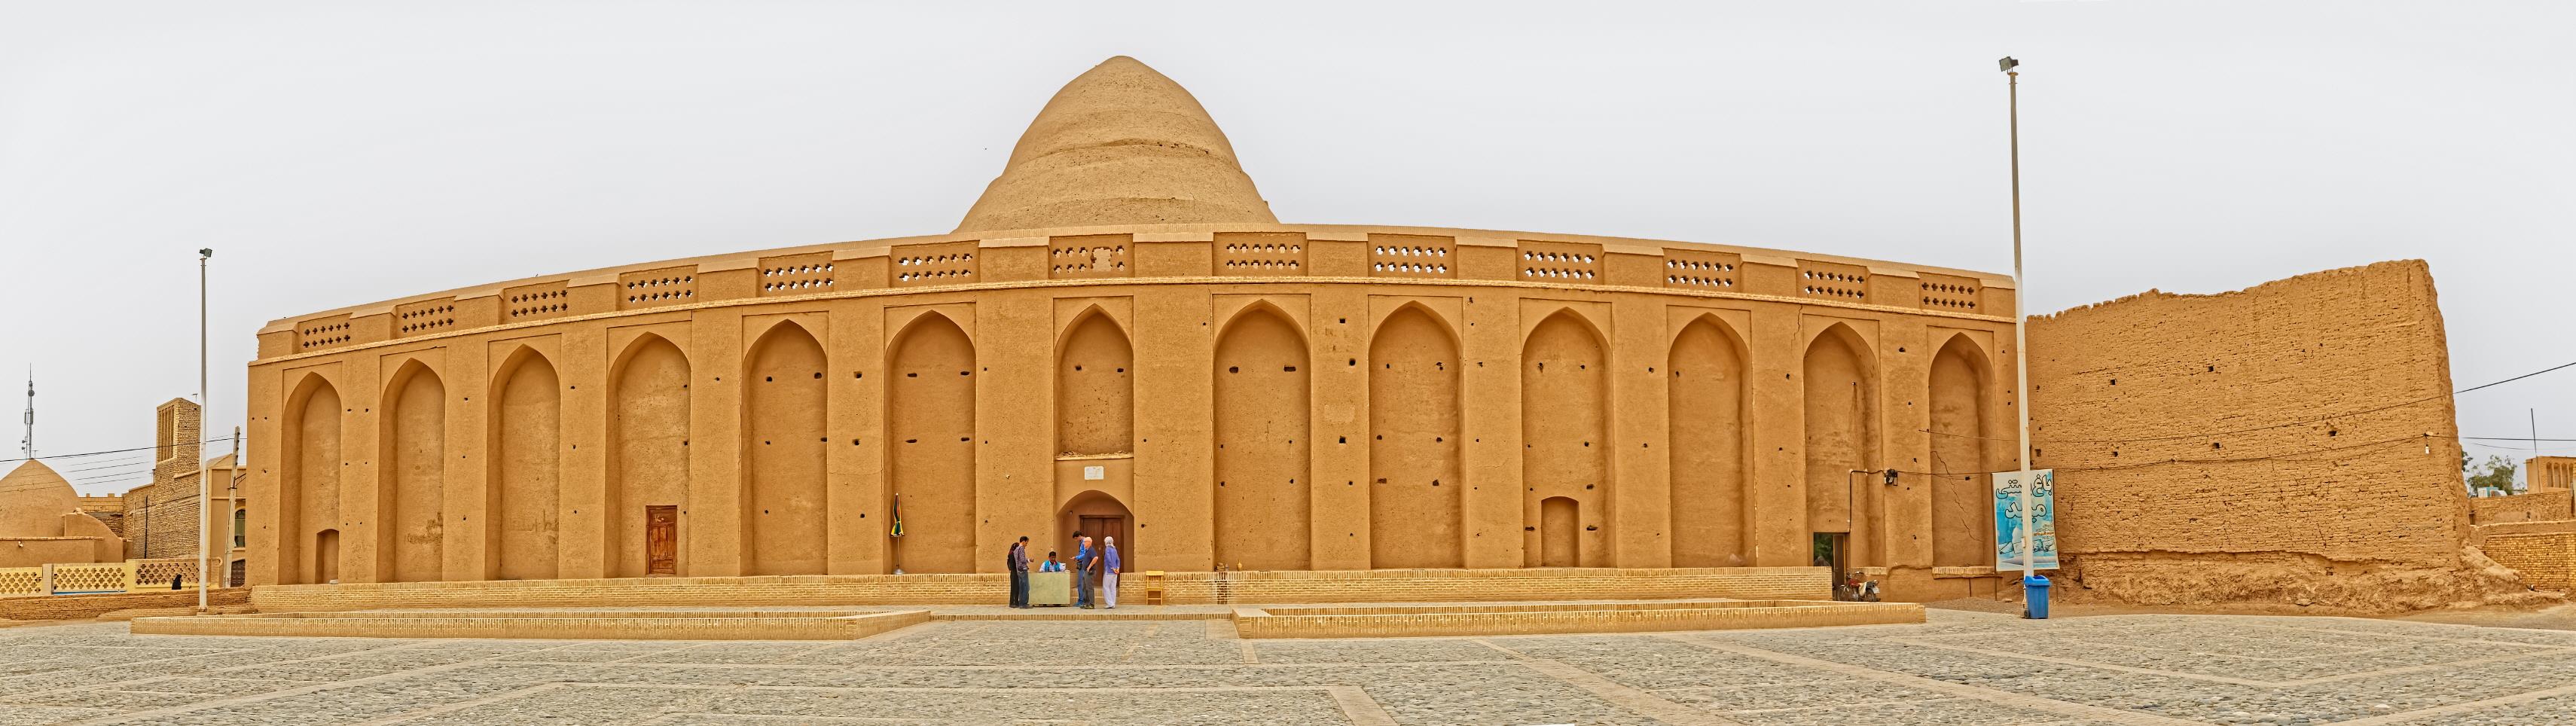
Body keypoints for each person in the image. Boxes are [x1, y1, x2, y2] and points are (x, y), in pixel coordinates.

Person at [1006, 535, 1030, 609]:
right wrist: (1029, 560)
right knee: (1016, 587)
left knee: (1018, 587)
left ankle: (1016, 602)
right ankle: (1013, 603)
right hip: (1015, 572)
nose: (1026, 544)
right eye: (1026, 543)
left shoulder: (1013, 552)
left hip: (1016, 571)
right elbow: (1021, 560)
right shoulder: (1015, 552)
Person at [1073, 533, 1095, 609]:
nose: (1083, 544)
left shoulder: (1091, 550)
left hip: (1088, 571)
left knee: (1088, 587)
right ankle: (1086, 603)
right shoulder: (1087, 550)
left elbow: (1096, 558)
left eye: (1085, 542)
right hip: (1084, 569)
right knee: (1084, 586)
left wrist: (1089, 567)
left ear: (1089, 542)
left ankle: (1090, 604)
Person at [1101, 536, 1122, 609]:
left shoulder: (1108, 549)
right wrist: (1117, 568)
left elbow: (1109, 559)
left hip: (1109, 571)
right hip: (1115, 571)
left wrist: (1113, 568)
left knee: (1106, 587)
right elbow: (1118, 560)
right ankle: (1113, 603)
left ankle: (1110, 604)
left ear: (1106, 542)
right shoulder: (1114, 549)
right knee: (1113, 587)